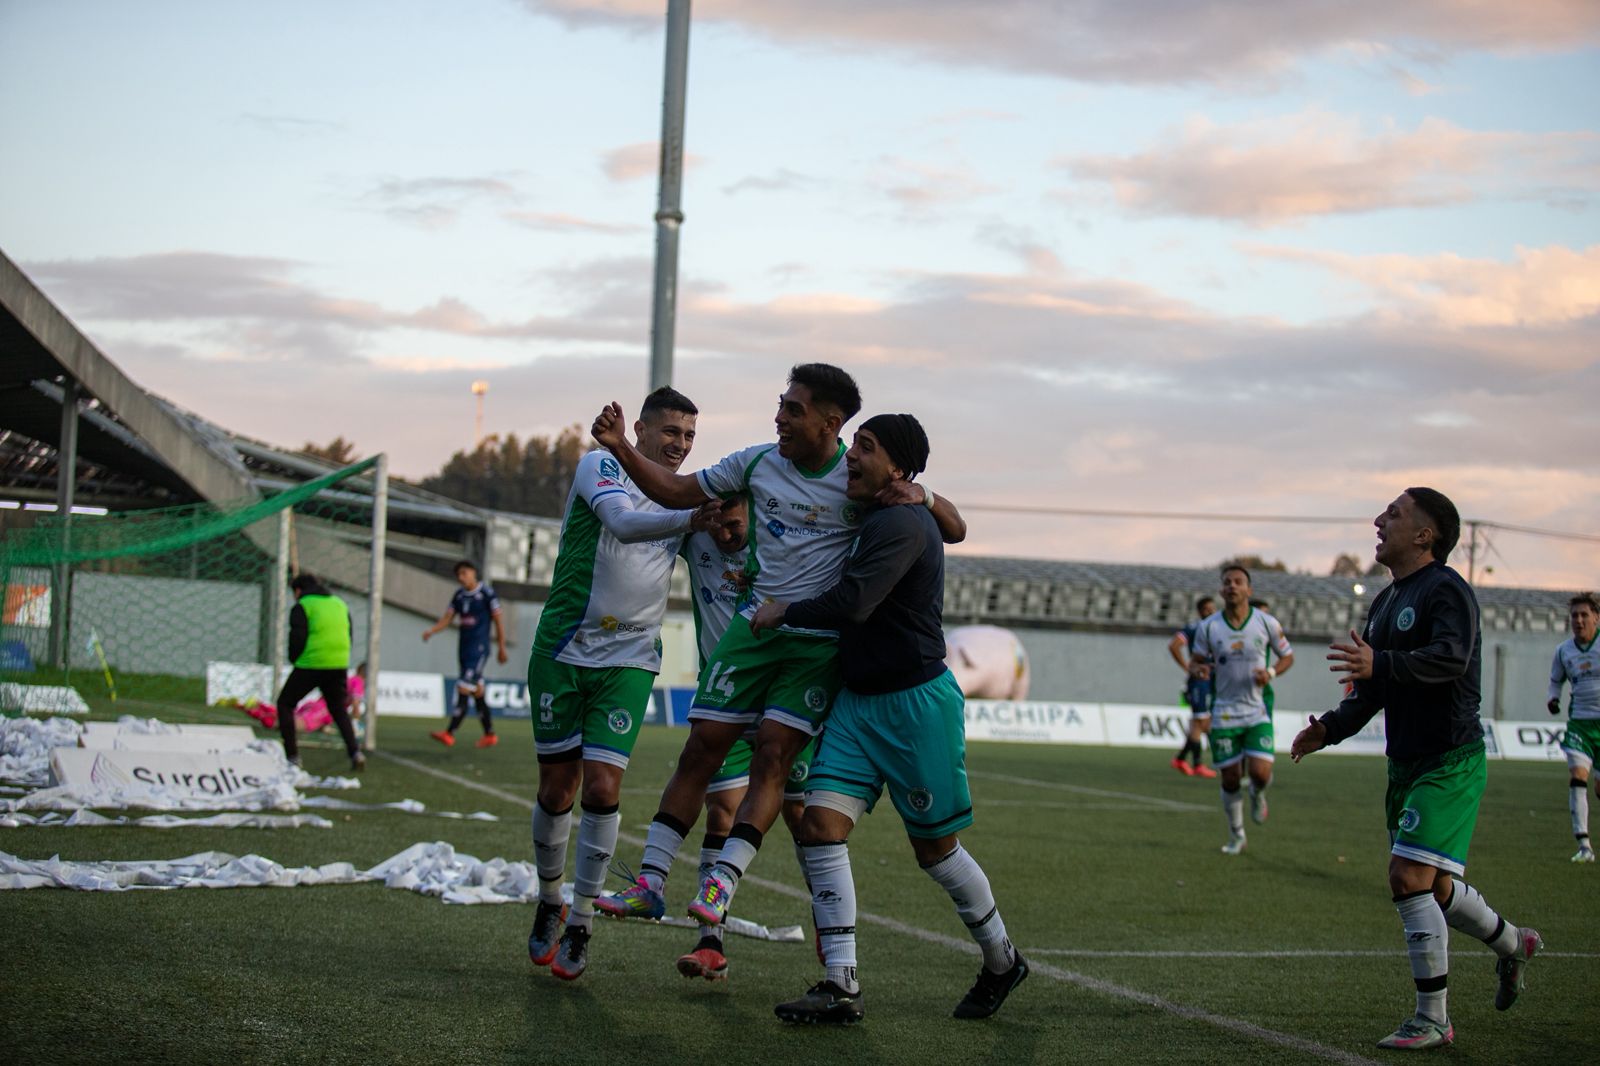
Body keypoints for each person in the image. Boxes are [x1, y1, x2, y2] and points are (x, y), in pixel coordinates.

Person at [589, 364, 968, 941]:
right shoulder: (757, 462)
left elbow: (954, 528)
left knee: (772, 759)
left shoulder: (857, 477)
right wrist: (620, 446)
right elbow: (675, 490)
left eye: (793, 409)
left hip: (815, 646)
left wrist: (926, 493)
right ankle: (650, 882)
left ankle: (721, 883)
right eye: (781, 405)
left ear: (829, 422)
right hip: (753, 631)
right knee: (701, 750)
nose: (780, 417)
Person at [748, 414, 1025, 1024]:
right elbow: (955, 524)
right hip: (857, 703)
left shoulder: (902, 521)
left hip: (914, 706)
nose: (851, 457)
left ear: (897, 469)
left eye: (865, 449)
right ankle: (840, 983)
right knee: (819, 826)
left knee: (936, 852)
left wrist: (782, 610)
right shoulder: (880, 510)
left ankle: (1002, 960)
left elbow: (854, 604)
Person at [1292, 488, 1542, 1052]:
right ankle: (1513, 945)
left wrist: (1380, 662)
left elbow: (1450, 659)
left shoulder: (1448, 590)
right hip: (1405, 763)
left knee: (1408, 878)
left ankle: (1433, 1018)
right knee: (1439, 888)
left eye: (1395, 514)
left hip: (1449, 760)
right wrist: (1328, 727)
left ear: (1426, 535)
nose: (1380, 520)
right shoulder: (1385, 602)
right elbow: (1374, 689)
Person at [524, 386, 716, 981]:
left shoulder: (687, 493)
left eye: (688, 437)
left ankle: (581, 918)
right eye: (670, 433)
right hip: (564, 648)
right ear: (639, 428)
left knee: (603, 787)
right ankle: (550, 898)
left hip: (631, 658)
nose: (680, 446)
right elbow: (623, 522)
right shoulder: (600, 464)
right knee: (558, 789)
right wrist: (693, 515)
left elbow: (724, 549)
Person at [1190, 565, 1292, 854]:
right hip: (1222, 711)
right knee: (1231, 777)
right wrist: (1198, 670)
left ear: (1249, 589)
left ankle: (1258, 793)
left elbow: (1287, 656)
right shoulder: (1208, 626)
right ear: (1222, 591)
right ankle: (1237, 835)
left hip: (1256, 710)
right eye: (1227, 583)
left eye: (1238, 582)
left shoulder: (1266, 623)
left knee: (1259, 774)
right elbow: (1195, 661)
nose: (1232, 586)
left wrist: (1270, 673)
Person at [275, 573, 364, 772]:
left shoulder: (303, 605)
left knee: (285, 703)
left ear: (298, 591)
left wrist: (294, 658)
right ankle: (355, 752)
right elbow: (348, 633)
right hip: (338, 663)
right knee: (338, 709)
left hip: (312, 663)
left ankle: (292, 757)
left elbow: (298, 635)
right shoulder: (339, 603)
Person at [423, 559, 508, 748]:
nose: (461, 578)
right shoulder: (459, 595)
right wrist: (432, 631)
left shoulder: (487, 593)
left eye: (464, 573)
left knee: (463, 688)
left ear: (473, 572)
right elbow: (447, 618)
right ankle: (489, 734)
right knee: (477, 691)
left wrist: (501, 647)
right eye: (458, 575)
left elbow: (498, 621)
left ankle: (449, 733)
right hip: (464, 648)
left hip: (479, 649)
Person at [1547, 591, 1600, 863]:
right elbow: (1555, 680)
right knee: (1578, 777)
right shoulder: (1564, 651)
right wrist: (1553, 698)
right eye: (1574, 616)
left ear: (1596, 618)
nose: (1578, 620)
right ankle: (1584, 846)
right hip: (1580, 725)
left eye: (1584, 615)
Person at [1167, 595, 1218, 777]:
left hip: (1212, 680)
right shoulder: (1194, 628)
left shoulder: (1218, 628)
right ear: (1200, 612)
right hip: (1199, 681)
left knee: (1199, 723)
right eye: (1207, 609)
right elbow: (1174, 646)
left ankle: (1181, 759)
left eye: (1213, 608)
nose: (1211, 612)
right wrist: (1187, 667)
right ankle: (1197, 764)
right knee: (1202, 722)